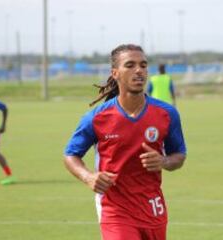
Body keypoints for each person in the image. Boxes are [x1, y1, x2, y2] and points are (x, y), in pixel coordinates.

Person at [64, 44, 186, 240]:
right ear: (115, 73)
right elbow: (71, 155)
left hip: (153, 208)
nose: (139, 70)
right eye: (130, 65)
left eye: (143, 65)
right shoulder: (97, 118)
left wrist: (164, 162)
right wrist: (88, 177)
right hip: (115, 209)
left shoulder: (167, 114)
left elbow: (179, 155)